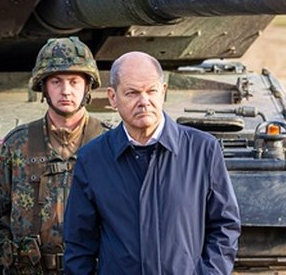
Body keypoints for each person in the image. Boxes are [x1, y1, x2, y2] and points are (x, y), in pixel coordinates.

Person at [64, 51, 240, 274]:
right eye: (132, 93)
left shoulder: (202, 150)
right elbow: (79, 243)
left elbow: (224, 227)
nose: (144, 101)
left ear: (163, 92)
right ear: (112, 97)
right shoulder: (93, 159)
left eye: (151, 91)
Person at [0, 37, 110, 274]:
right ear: (43, 87)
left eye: (74, 81)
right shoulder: (18, 144)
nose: (66, 91)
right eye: (56, 81)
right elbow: (3, 211)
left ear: (88, 86)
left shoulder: (109, 142)